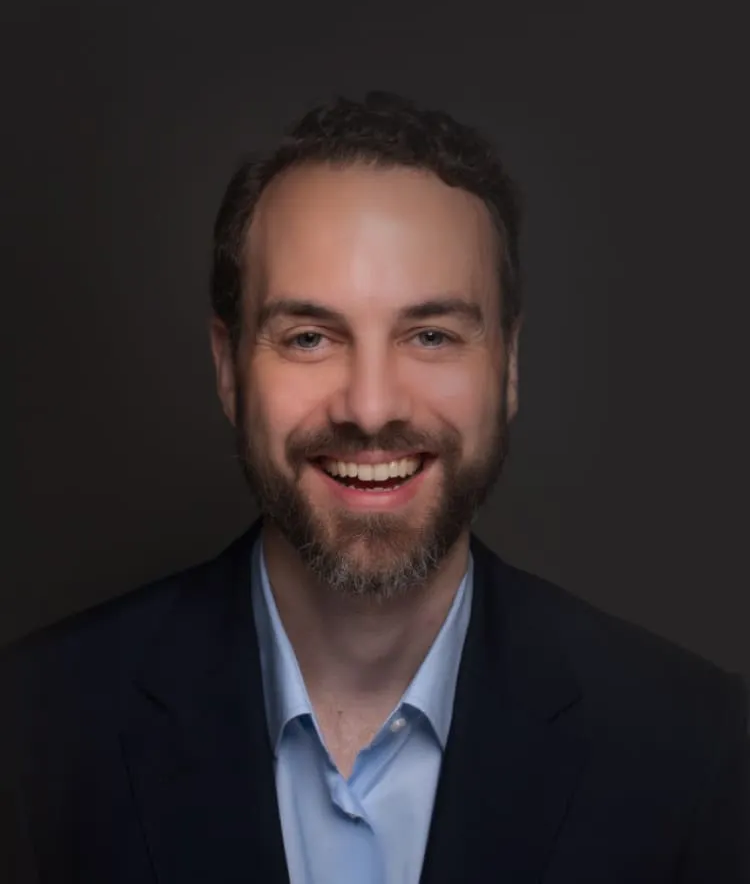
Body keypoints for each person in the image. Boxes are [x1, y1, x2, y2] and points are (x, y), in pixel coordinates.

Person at [2, 90, 748, 883]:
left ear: (509, 365)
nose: (370, 407)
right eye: (310, 337)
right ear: (228, 370)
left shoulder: (697, 750)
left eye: (430, 335)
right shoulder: (30, 734)